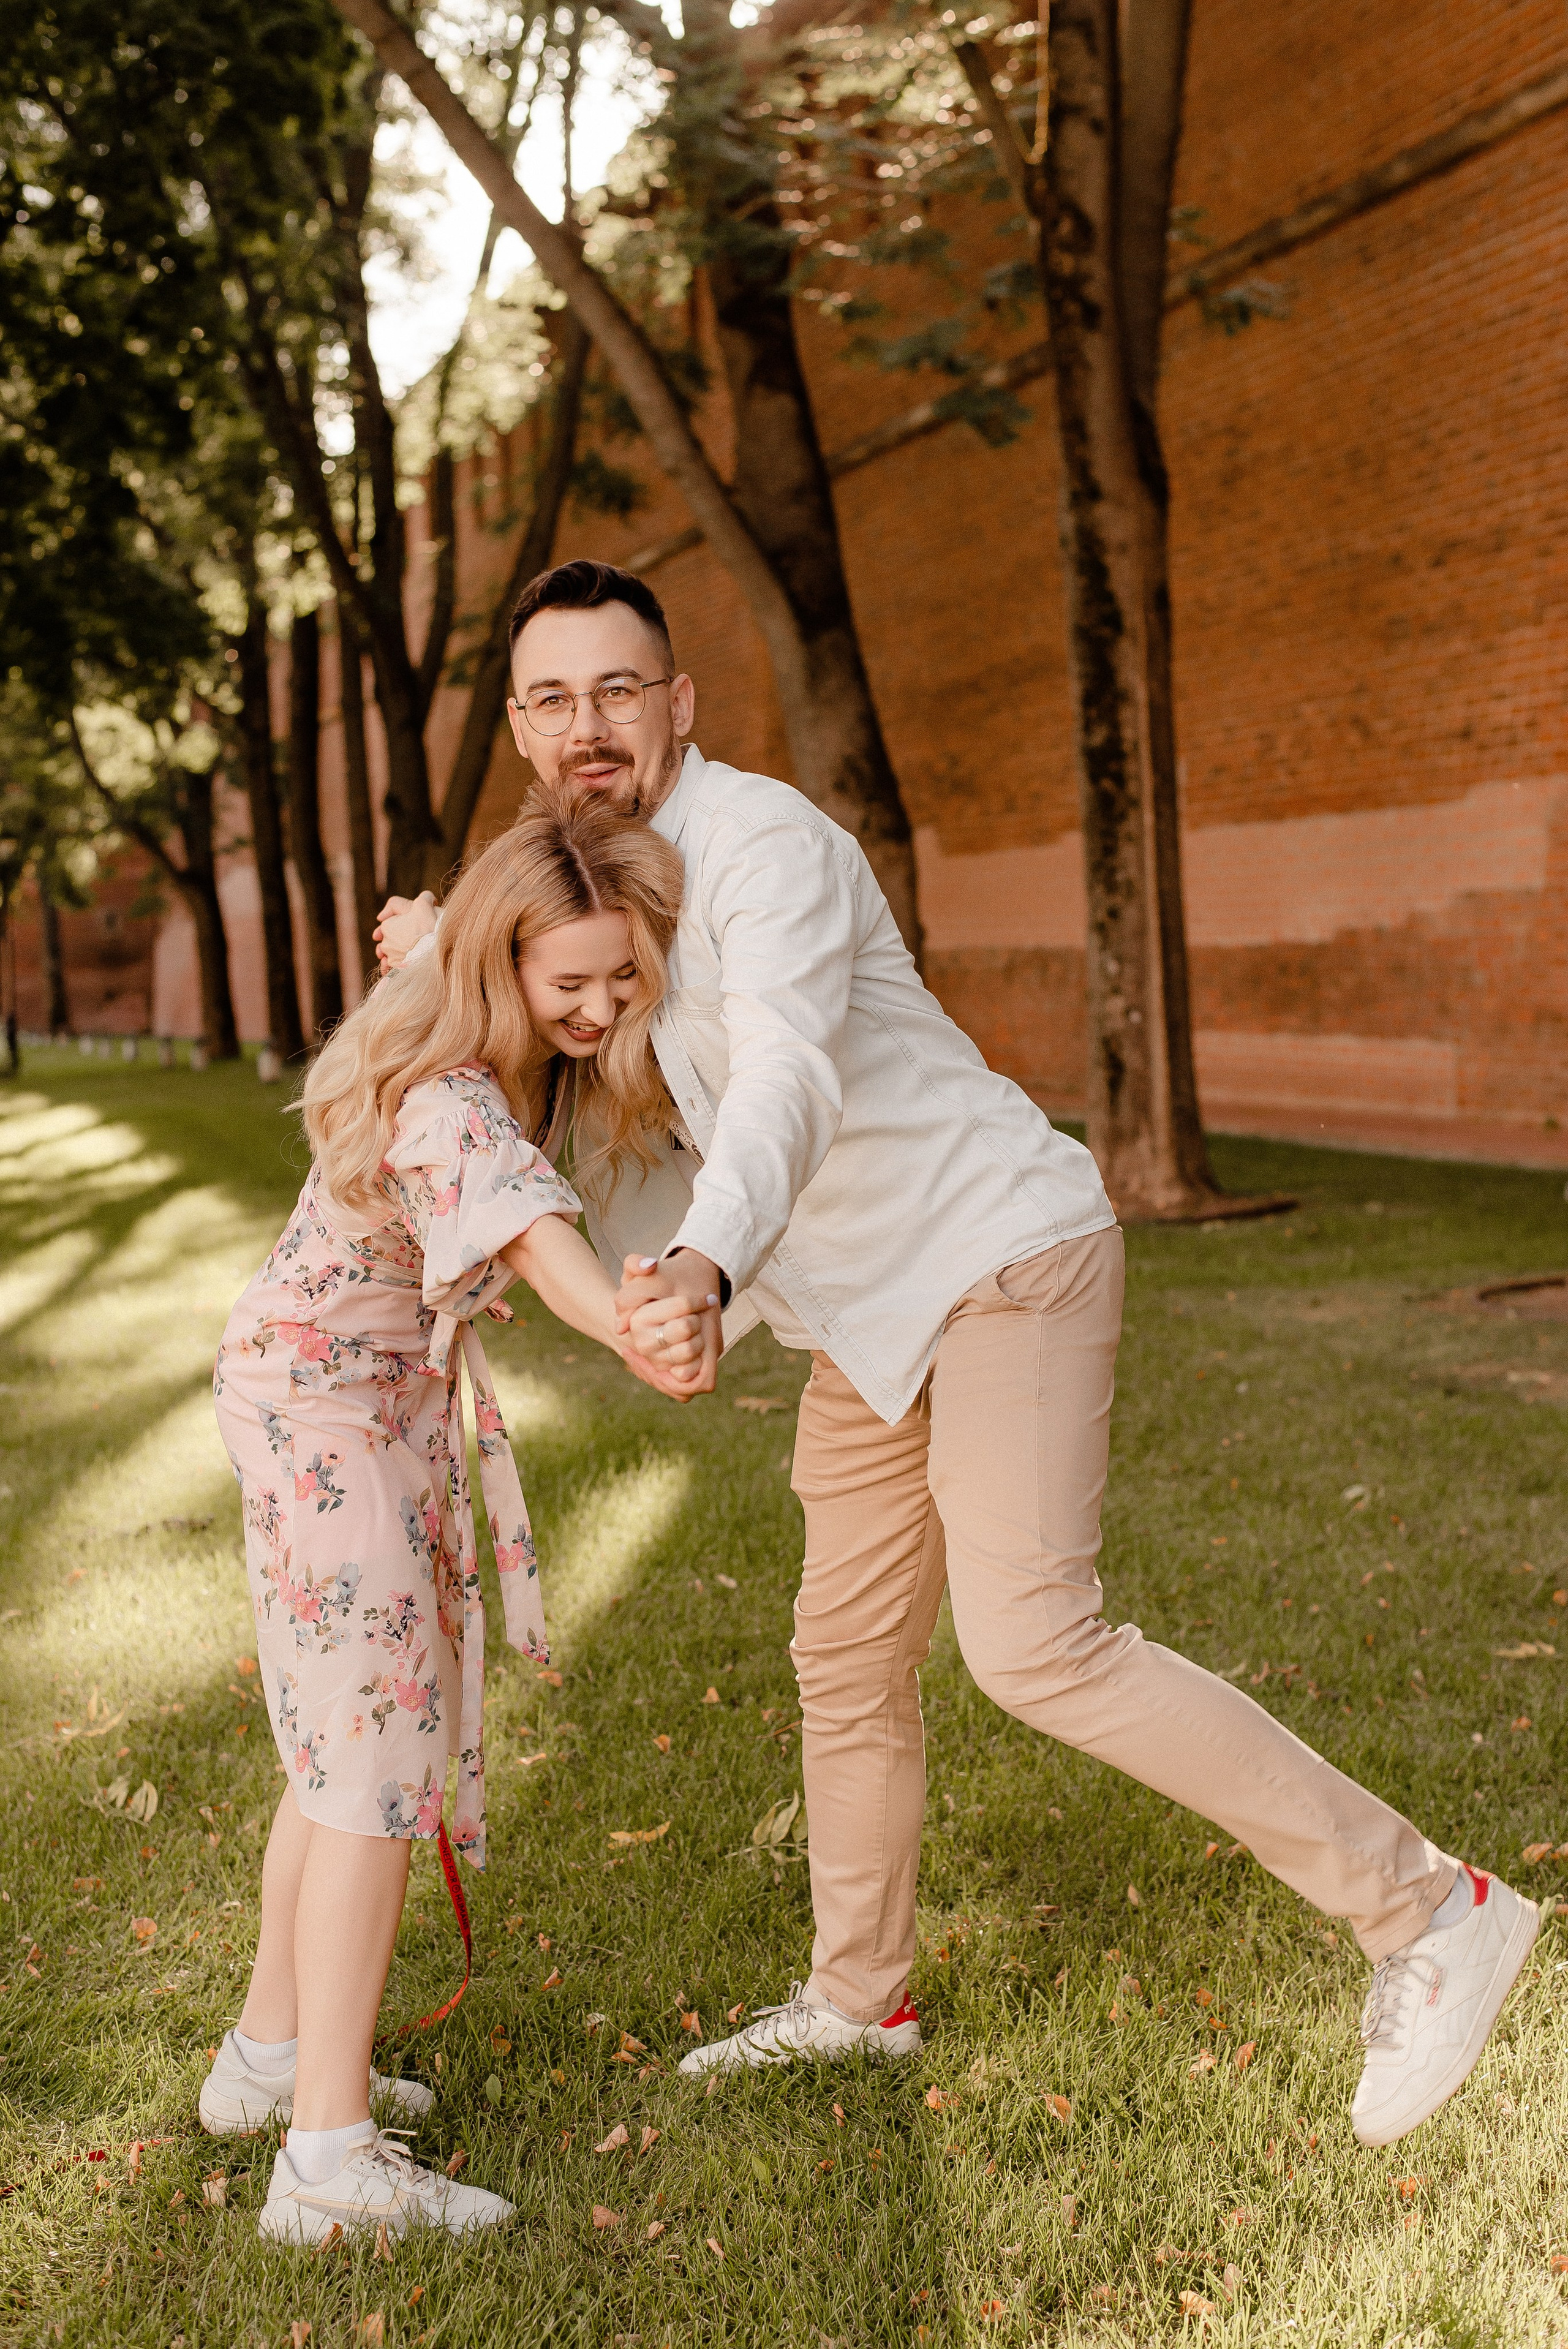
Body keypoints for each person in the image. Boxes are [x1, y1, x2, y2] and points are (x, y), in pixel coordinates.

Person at [378, 559, 1537, 2152]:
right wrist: (450, 962)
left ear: (679, 702)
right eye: (556, 698)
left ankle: (1432, 1909)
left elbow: (784, 1073)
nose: (592, 725)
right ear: (521, 726)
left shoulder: (764, 847)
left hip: (1003, 1253)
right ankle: (860, 1999)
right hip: (870, 1319)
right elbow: (607, 1100)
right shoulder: (602, 900)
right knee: (844, 1656)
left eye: (621, 689)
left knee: (1035, 1643)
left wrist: (706, 1267)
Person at [208, 790, 703, 2244]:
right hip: (331, 1416)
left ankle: (269, 2059)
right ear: (507, 970)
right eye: (573, 984)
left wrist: (435, 932)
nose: (602, 1006)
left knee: (337, 1749)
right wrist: (636, 1331)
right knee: (369, 1760)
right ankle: (325, 2160)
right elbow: (544, 1251)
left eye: (624, 978)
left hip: (341, 1401)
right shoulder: (450, 1098)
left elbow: (439, 941)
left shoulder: (452, 1003)